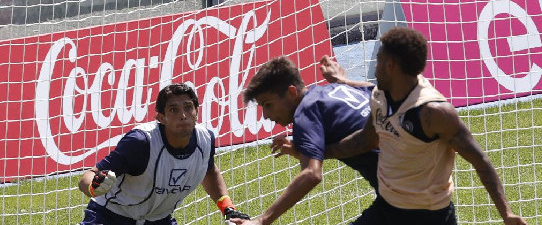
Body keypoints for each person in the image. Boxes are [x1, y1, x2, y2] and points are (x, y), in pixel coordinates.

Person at [323, 27, 528, 225]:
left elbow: (480, 160)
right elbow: (364, 140)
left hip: (428, 217)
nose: (374, 67)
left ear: (390, 65)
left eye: (378, 60)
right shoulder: (381, 96)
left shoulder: (434, 113)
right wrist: (315, 152)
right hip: (387, 210)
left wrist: (507, 213)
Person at [229, 56, 379, 225]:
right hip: (406, 180)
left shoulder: (305, 111)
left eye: (268, 104)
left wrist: (261, 220)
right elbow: (378, 93)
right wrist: (343, 80)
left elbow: (311, 174)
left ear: (292, 92)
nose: (266, 115)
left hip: (403, 191)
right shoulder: (333, 89)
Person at [77, 83, 250, 225]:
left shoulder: (205, 140)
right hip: (110, 217)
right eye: (174, 110)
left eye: (188, 107)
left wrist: (228, 208)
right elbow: (88, 176)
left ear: (197, 112)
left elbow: (209, 170)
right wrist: (93, 187)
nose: (183, 115)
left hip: (158, 220)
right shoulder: (141, 142)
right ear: (161, 117)